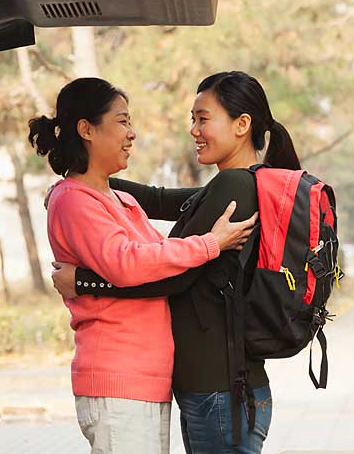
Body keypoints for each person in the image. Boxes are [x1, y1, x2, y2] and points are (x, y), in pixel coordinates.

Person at [51, 71, 303, 454]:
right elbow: (162, 199)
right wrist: (89, 179)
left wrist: (84, 282)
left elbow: (171, 278)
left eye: (203, 119)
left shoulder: (234, 187)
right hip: (218, 384)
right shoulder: (245, 183)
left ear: (242, 125)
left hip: (217, 386)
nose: (194, 130)